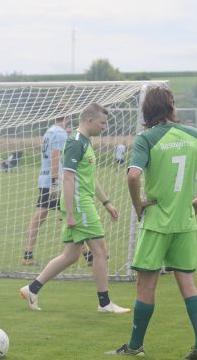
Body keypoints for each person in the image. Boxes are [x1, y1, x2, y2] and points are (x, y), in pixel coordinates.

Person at [107, 86, 197, 360]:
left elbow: (133, 175)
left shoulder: (147, 138)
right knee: (188, 283)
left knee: (146, 286)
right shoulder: (194, 135)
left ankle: (135, 346)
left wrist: (138, 204)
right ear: (171, 106)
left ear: (147, 110)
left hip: (156, 223)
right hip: (184, 222)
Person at [19, 105, 130, 314]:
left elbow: (90, 177)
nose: (105, 127)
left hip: (82, 203)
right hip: (80, 205)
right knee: (100, 251)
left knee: (71, 255)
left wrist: (106, 203)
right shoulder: (76, 142)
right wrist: (70, 214)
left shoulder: (85, 142)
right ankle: (105, 303)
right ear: (89, 120)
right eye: (102, 123)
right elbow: (68, 178)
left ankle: (32, 289)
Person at [21, 116, 68, 266]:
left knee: (41, 215)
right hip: (55, 180)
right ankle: (88, 255)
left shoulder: (49, 131)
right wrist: (55, 182)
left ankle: (28, 254)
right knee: (69, 214)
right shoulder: (60, 133)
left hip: (44, 178)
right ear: (67, 117)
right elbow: (55, 155)